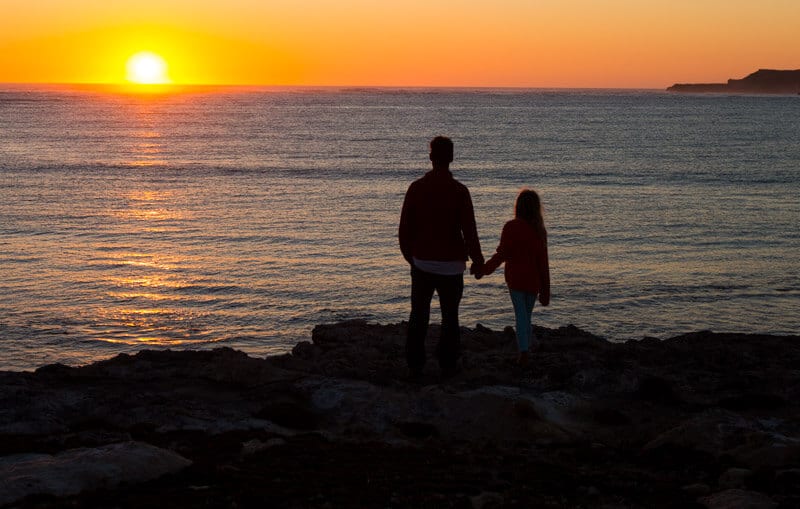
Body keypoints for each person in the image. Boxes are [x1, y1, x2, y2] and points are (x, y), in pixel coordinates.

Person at [399, 136, 484, 378]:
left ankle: (415, 364)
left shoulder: (417, 188)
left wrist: (412, 258)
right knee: (450, 318)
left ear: (430, 157)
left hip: (423, 262)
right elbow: (470, 231)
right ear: (452, 158)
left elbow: (404, 229)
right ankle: (447, 363)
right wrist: (477, 261)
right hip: (452, 266)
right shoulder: (460, 191)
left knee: (418, 315)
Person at [481, 189, 550, 366]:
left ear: (518, 207)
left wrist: (485, 270)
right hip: (532, 282)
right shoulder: (539, 231)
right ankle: (527, 345)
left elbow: (501, 255)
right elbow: (543, 264)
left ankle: (524, 352)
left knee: (521, 315)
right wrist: (545, 291)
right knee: (525, 315)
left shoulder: (511, 227)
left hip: (516, 280)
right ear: (536, 208)